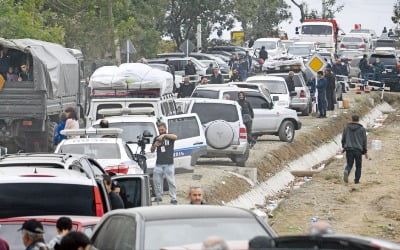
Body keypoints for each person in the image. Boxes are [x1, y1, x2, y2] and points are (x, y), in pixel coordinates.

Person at [151, 122, 178, 204]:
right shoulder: (156, 138)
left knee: (171, 182)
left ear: (165, 129)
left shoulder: (170, 136)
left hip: (169, 164)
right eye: (159, 130)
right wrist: (155, 145)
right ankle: (159, 197)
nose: (161, 131)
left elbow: (175, 137)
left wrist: (164, 135)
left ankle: (173, 198)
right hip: (159, 164)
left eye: (162, 130)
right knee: (157, 182)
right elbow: (151, 150)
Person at [342, 115, 368, 184]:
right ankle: (356, 181)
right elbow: (364, 141)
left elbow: (343, 139)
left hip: (349, 149)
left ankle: (347, 170)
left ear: (351, 119)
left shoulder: (346, 128)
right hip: (358, 150)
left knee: (349, 164)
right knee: (358, 166)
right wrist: (365, 151)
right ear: (358, 120)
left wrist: (344, 147)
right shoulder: (362, 129)